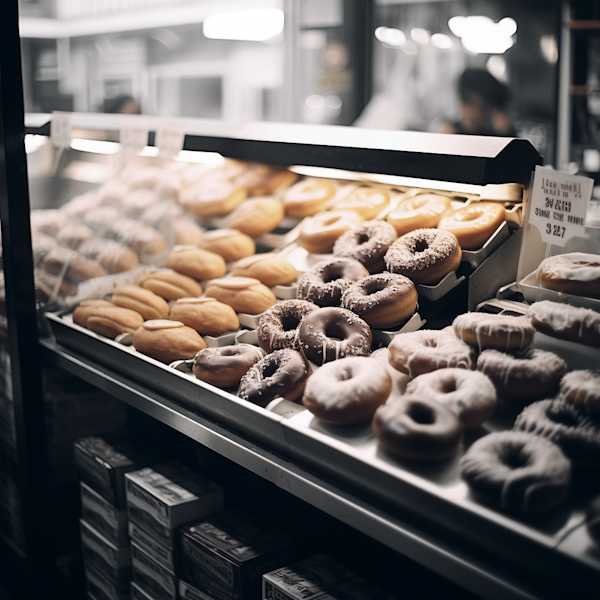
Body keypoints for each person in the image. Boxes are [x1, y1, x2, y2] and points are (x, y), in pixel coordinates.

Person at [439, 68, 515, 137]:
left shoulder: (496, 136)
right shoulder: (450, 133)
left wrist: (506, 132)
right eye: (469, 102)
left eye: (480, 105)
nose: (473, 112)